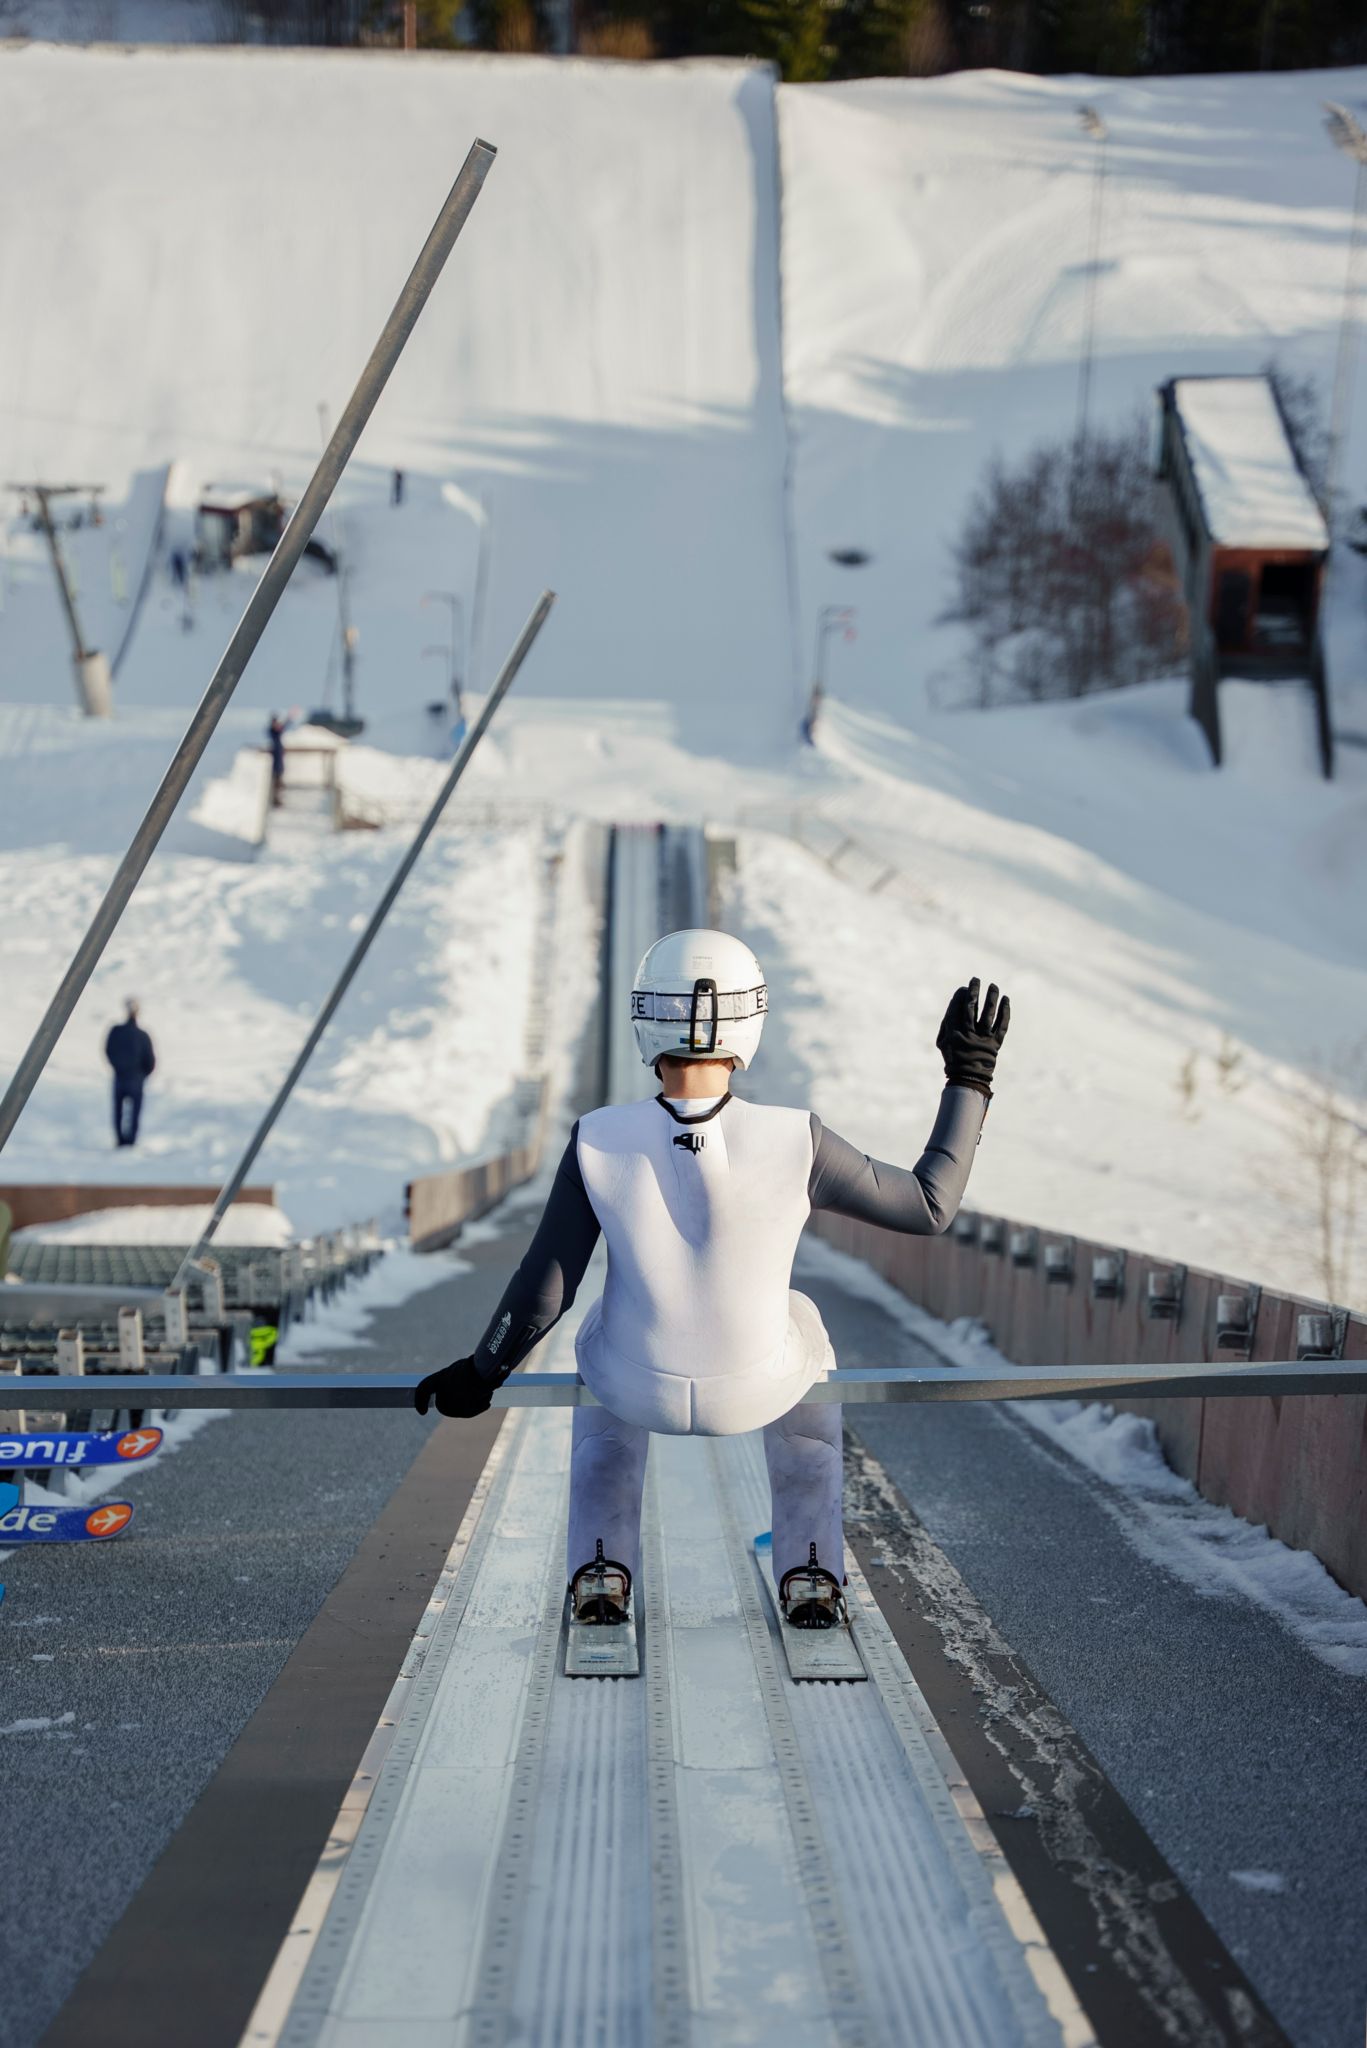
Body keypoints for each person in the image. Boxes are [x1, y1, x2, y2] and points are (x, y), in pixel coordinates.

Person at [415, 931, 1009, 1632]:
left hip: (637, 1391)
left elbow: (545, 1290)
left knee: (597, 1324)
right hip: (758, 1388)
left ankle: (601, 1566)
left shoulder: (597, 1137)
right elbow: (927, 1207)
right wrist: (968, 1078)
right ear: (748, 1021)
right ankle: (810, 1568)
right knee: (803, 1318)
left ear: (645, 1018)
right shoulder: (799, 1137)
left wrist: (481, 1373)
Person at [105, 998, 156, 1148]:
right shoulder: (142, 1035)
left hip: (122, 1078)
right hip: (134, 1080)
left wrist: (118, 1067)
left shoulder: (116, 1031)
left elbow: (108, 1051)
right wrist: (141, 1075)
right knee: (133, 1112)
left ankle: (122, 1140)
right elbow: (150, 1060)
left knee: (119, 1111)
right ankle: (130, 1141)